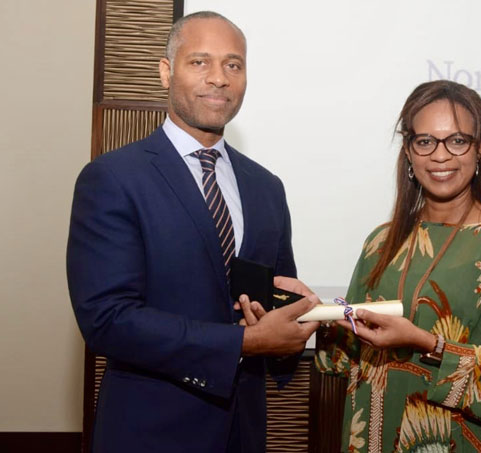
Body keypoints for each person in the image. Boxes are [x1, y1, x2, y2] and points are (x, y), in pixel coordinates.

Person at [66, 11, 319, 453]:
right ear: (166, 71)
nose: (219, 78)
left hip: (243, 432)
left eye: (233, 65)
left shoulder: (266, 187)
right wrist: (243, 341)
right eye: (199, 62)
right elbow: (107, 320)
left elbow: (270, 305)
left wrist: (287, 334)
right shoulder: (113, 177)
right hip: (149, 433)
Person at [315, 80, 481, 452]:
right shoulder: (381, 242)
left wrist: (426, 343)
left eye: (457, 140)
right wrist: (308, 310)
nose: (440, 155)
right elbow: (342, 361)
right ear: (408, 151)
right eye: (425, 141)